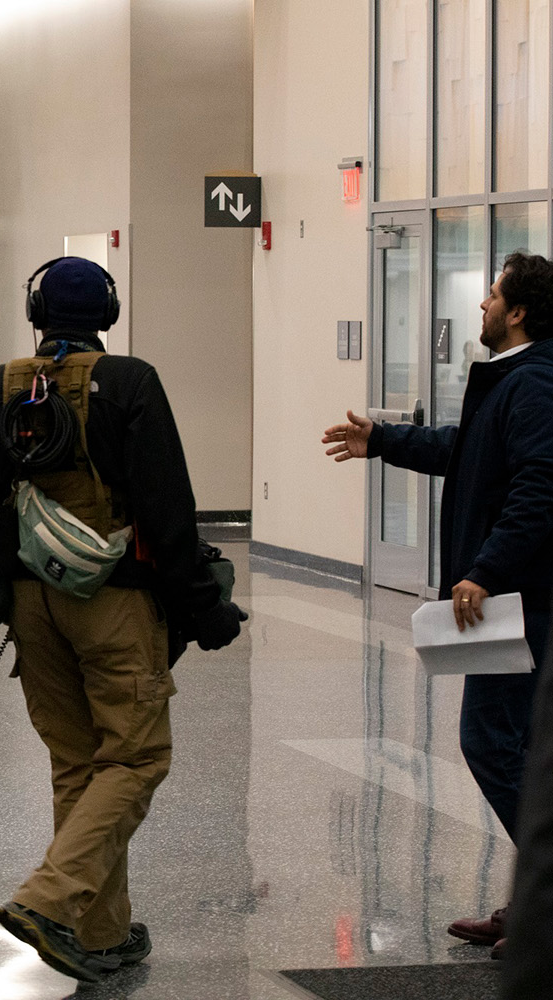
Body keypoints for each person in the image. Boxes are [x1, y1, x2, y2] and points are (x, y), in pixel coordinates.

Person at [0, 256, 245, 983]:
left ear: (34, 311)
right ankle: (47, 903)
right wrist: (206, 609)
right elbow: (166, 509)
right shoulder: (130, 382)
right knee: (137, 758)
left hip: (29, 604)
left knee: (79, 763)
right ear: (107, 314)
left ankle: (102, 932)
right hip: (114, 600)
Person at [322, 251, 553, 958]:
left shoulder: (536, 383)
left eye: (490, 296)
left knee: (493, 741)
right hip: (519, 594)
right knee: (514, 744)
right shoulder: (514, 381)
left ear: (516, 312)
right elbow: (470, 451)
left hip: (524, 601)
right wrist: (384, 440)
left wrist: (485, 569)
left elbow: (540, 485)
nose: (480, 306)